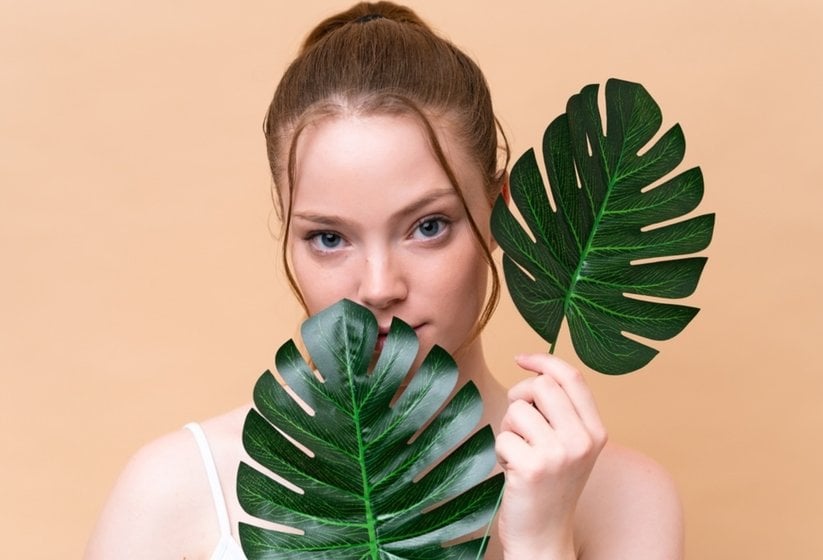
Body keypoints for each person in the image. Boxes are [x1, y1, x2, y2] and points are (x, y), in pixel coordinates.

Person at [84, 2, 684, 559]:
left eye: (427, 226)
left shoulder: (625, 501)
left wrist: (541, 540)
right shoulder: (173, 492)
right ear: (287, 232)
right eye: (329, 238)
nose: (377, 286)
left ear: (499, 211)